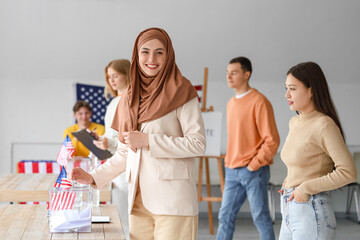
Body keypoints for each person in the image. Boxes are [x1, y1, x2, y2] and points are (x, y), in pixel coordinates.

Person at [69, 27, 206, 240]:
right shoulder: (129, 97)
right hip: (138, 204)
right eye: (145, 51)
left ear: (168, 55)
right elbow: (125, 153)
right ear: (136, 55)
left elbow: (197, 143)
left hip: (173, 205)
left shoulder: (182, 90)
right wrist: (93, 177)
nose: (152, 58)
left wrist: (149, 140)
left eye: (160, 52)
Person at [279, 62, 357, 240]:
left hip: (311, 211)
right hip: (289, 209)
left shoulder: (324, 125)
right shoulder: (295, 122)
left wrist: (306, 187)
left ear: (311, 90)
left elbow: (348, 172)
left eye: (292, 88)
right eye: (286, 88)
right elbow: (302, 162)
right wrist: (289, 182)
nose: (287, 95)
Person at [216, 57, 279, 240]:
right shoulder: (230, 103)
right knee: (225, 216)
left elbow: (272, 139)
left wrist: (254, 164)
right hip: (232, 170)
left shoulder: (259, 101)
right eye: (227, 73)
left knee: (260, 217)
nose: (229, 76)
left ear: (246, 74)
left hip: (254, 170)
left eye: (234, 72)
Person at [91, 59, 131, 240]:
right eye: (109, 77)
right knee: (120, 209)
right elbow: (112, 135)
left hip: (128, 162)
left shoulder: (131, 101)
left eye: (116, 76)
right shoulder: (114, 101)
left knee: (128, 212)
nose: (112, 81)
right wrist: (103, 141)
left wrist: (111, 142)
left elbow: (127, 136)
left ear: (127, 74)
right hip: (115, 161)